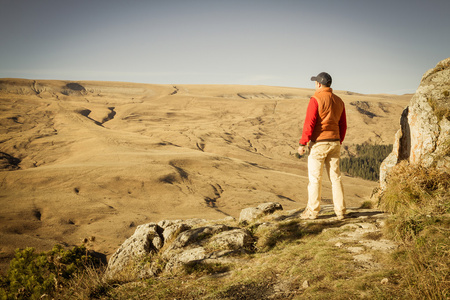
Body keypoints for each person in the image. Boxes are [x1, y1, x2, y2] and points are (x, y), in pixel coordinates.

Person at [298, 72, 347, 220]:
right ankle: (341, 211)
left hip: (319, 143)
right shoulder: (339, 101)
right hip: (335, 142)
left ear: (319, 84)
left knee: (315, 179)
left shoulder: (316, 99)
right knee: (336, 178)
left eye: (315, 82)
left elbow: (309, 123)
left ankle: (312, 211)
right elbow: (343, 125)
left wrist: (302, 143)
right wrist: (339, 140)